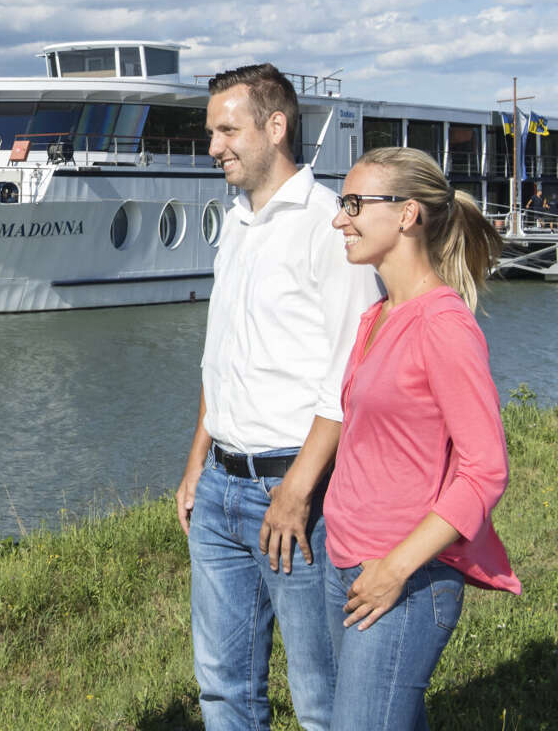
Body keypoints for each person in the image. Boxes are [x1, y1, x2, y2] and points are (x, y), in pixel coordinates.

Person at [176, 63, 382, 730]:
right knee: (223, 690)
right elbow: (223, 355)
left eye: (227, 129)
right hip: (218, 492)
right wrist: (195, 465)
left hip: (296, 488)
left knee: (321, 698)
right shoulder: (235, 223)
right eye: (211, 132)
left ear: (276, 125)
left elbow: (350, 376)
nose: (214, 147)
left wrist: (296, 490)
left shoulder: (329, 225)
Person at [325, 147, 519, 727]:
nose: (341, 219)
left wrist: (394, 568)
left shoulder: (442, 325)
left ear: (407, 213)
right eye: (342, 204)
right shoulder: (378, 315)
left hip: (406, 579)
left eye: (355, 204)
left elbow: (486, 469)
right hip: (349, 566)